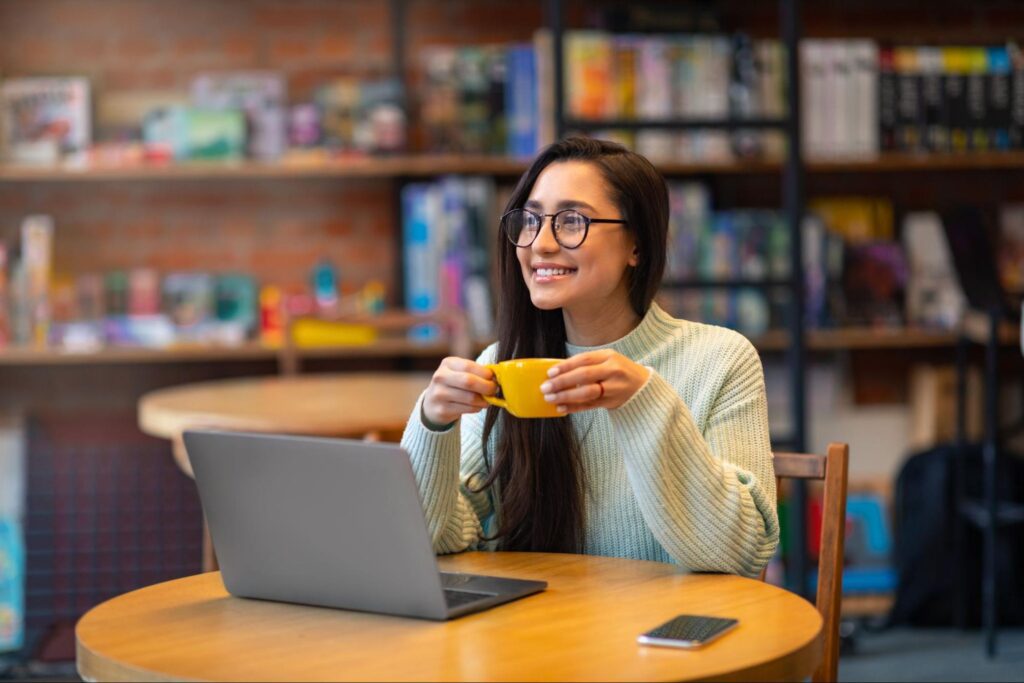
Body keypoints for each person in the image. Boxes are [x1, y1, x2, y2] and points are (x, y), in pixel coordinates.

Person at [401, 137, 778, 577]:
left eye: (571, 220)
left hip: (661, 639)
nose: (540, 244)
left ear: (636, 244)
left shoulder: (721, 360)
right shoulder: (503, 363)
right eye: (530, 220)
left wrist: (644, 402)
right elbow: (434, 541)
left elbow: (744, 554)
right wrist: (432, 423)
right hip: (533, 636)